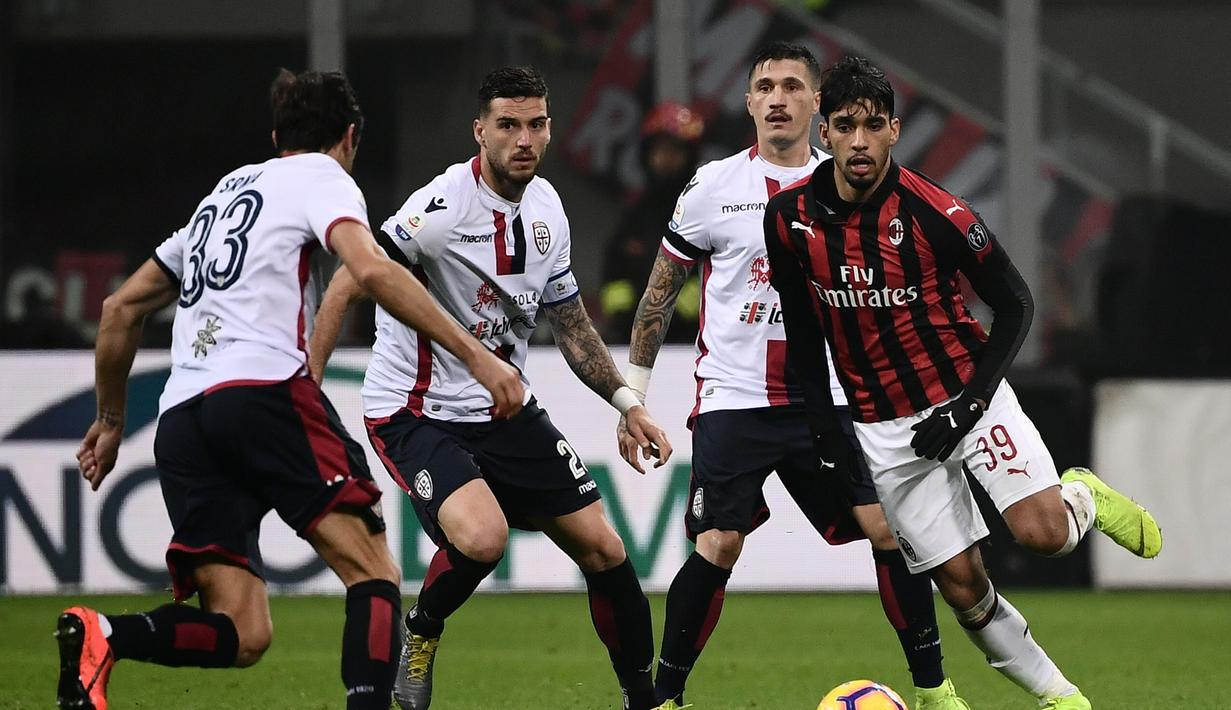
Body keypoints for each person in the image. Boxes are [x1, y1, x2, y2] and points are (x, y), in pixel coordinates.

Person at [57, 69, 524, 710]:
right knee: (375, 573)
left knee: (243, 631)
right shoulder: (324, 179)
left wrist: (111, 420)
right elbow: (370, 269)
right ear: (350, 137)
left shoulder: (220, 198)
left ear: (277, 136)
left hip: (183, 421)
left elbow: (118, 310)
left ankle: (104, 635)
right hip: (263, 394)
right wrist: (478, 358)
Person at [763, 56, 1163, 710]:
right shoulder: (788, 221)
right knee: (960, 585)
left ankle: (1081, 497)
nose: (858, 141)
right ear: (825, 135)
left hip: (964, 397)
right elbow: (804, 336)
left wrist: (971, 402)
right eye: (843, 126)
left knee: (1045, 537)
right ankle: (1061, 698)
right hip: (882, 429)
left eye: (871, 126)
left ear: (894, 130)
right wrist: (824, 437)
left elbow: (1015, 303)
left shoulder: (936, 213)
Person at [309, 65, 673, 710]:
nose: (524, 138)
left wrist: (627, 403)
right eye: (508, 125)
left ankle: (646, 702)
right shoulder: (440, 209)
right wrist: (309, 381)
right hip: (415, 409)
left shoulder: (548, 207)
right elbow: (352, 276)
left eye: (536, 124)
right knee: (483, 539)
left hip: (503, 407)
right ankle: (419, 635)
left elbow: (571, 324)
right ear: (480, 131)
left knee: (607, 550)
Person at [617, 41, 968, 710]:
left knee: (890, 530)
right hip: (735, 400)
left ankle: (932, 690)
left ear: (816, 104)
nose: (776, 97)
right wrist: (630, 394)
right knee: (717, 543)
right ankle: (662, 699)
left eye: (791, 86)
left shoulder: (852, 184)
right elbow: (659, 294)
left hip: (830, 400)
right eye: (764, 86)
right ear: (748, 102)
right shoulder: (712, 187)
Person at [599, 101, 705, 344]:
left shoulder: (702, 209)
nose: (666, 159)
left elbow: (713, 275)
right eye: (660, 150)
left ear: (689, 157)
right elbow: (613, 275)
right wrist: (629, 316)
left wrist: (676, 313)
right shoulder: (634, 213)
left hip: (690, 341)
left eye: (675, 151)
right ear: (647, 154)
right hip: (630, 340)